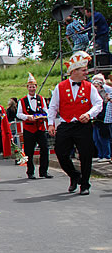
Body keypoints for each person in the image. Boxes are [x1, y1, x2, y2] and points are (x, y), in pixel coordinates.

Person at [48, 51, 103, 195]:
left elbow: (98, 103)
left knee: (86, 154)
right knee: (60, 152)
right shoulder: (60, 87)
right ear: (74, 71)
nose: (86, 72)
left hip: (83, 125)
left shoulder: (89, 87)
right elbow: (53, 106)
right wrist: (51, 123)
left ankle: (85, 184)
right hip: (66, 124)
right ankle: (74, 175)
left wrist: (89, 114)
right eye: (83, 70)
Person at [16, 73, 52, 179]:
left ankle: (44, 171)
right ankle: (30, 171)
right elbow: (19, 114)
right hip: (29, 128)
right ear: (27, 88)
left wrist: (42, 116)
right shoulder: (22, 100)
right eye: (30, 87)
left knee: (44, 149)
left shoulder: (41, 99)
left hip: (40, 127)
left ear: (36, 87)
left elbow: (46, 111)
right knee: (29, 151)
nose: (32, 89)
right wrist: (27, 117)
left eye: (33, 87)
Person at [91, 74, 111, 162]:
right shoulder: (93, 94)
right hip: (95, 119)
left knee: (103, 138)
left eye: (96, 86)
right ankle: (100, 154)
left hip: (102, 119)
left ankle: (106, 155)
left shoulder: (104, 93)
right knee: (96, 139)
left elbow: (103, 106)